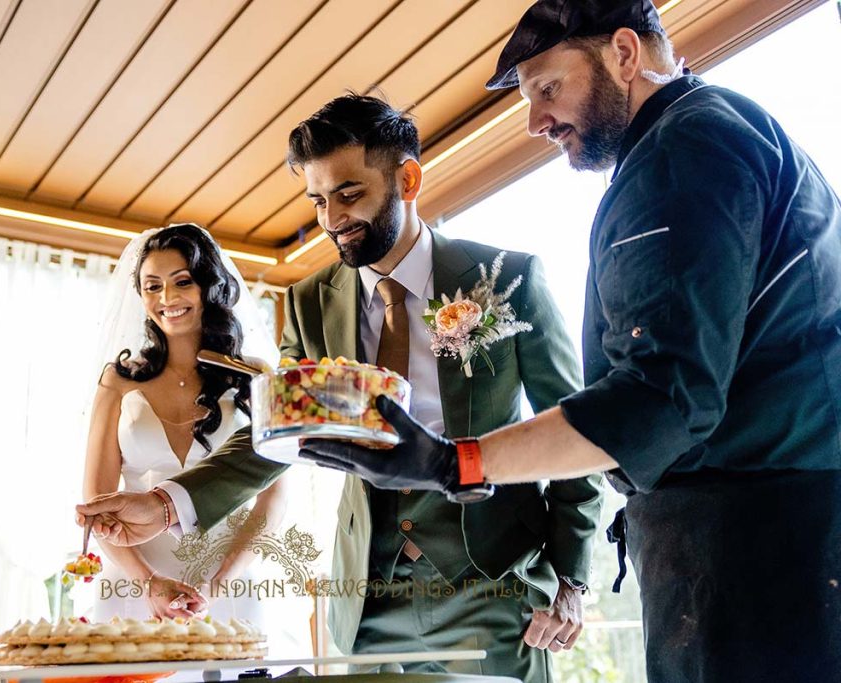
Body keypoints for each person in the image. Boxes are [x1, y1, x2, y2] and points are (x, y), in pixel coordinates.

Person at [298, 3, 841, 681]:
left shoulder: (683, 150)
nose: (536, 123)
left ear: (622, 53)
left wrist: (451, 463)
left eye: (548, 89)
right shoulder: (713, 133)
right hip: (771, 534)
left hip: (758, 544)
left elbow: (656, 396)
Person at [77, 94, 603, 683]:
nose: (331, 219)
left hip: (493, 587)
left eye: (349, 195)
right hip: (367, 594)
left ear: (407, 178)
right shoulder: (309, 303)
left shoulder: (506, 279)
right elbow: (277, 435)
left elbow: (577, 431)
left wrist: (572, 578)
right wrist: (167, 502)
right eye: (318, 200)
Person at [82, 223, 285, 625]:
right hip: (132, 584)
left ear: (208, 286)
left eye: (182, 281)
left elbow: (273, 497)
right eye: (152, 286)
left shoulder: (256, 376)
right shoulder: (118, 380)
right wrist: (148, 581)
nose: (167, 298)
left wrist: (221, 582)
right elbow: (96, 501)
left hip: (228, 586)